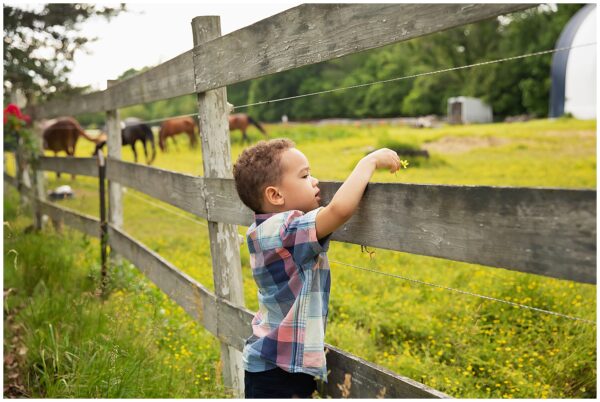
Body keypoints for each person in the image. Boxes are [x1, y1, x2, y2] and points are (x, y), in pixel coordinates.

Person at [232, 138, 402, 398]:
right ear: (275, 195)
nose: (315, 181)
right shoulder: (285, 231)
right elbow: (340, 209)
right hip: (278, 372)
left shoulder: (261, 230)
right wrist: (369, 161)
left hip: (274, 363)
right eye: (305, 175)